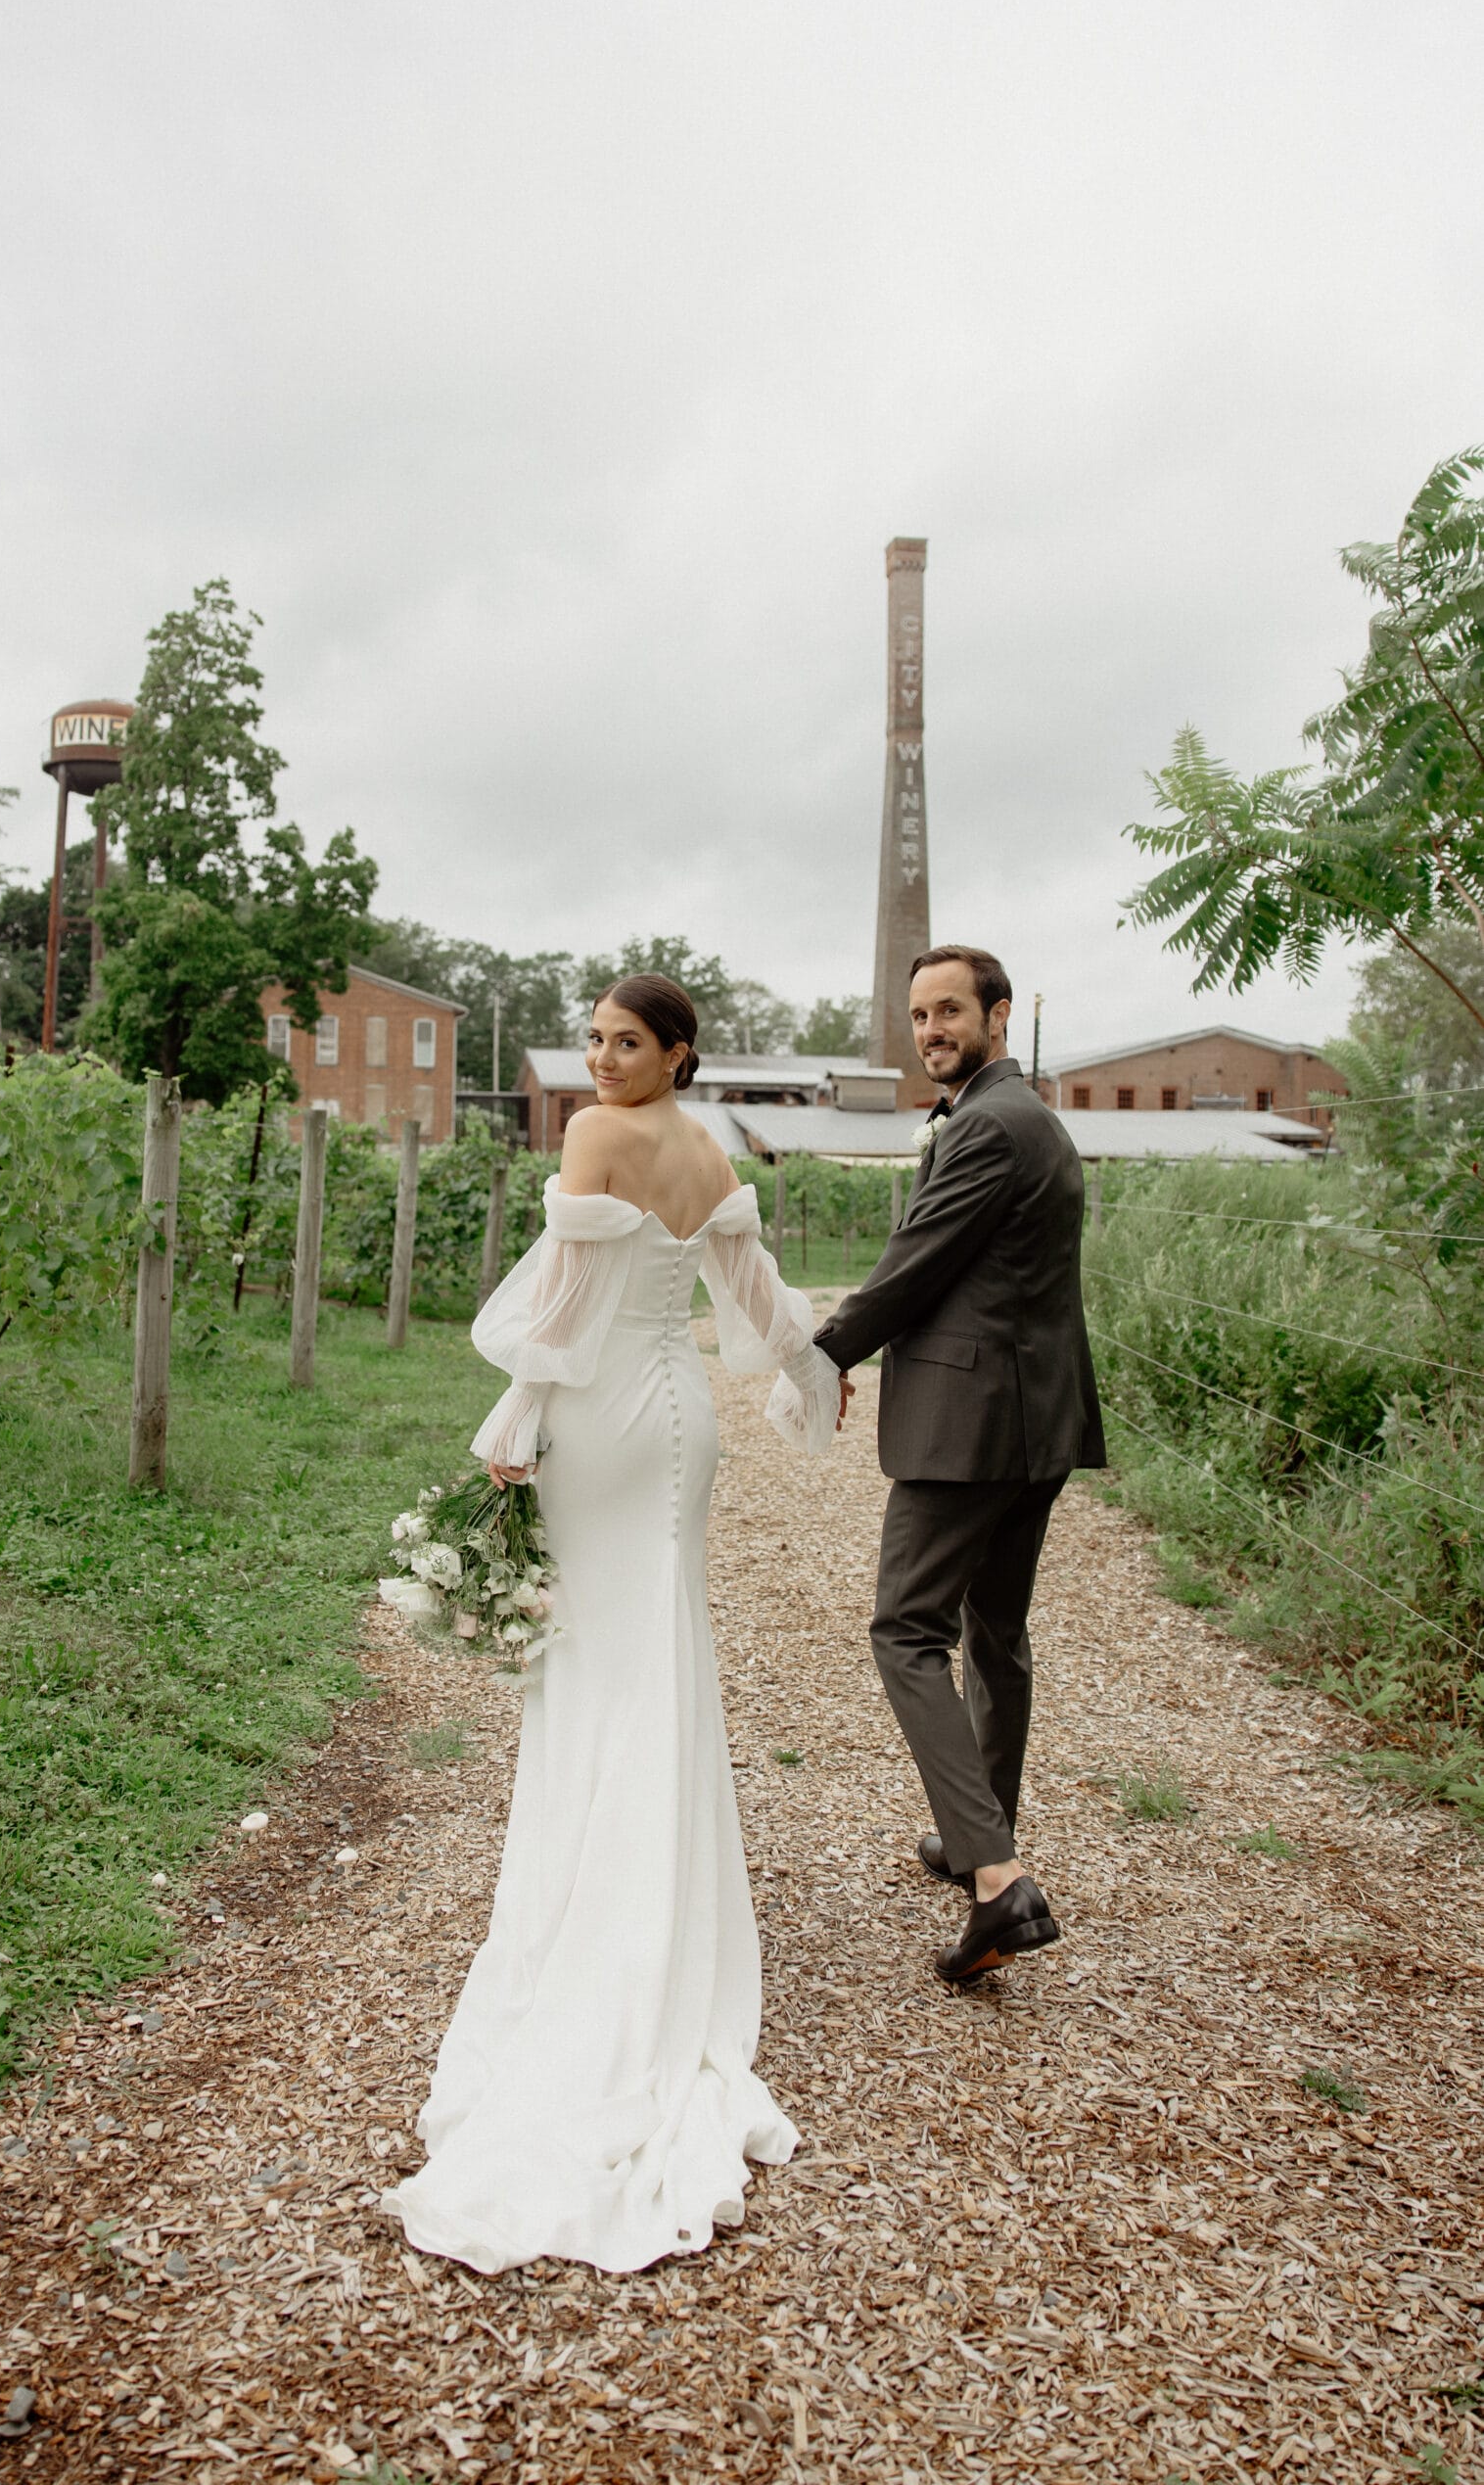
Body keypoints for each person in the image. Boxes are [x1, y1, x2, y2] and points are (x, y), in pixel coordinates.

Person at [382, 973, 841, 2274]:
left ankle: (600, 1925)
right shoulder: (710, 1152)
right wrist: (813, 1373)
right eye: (590, 1041)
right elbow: (754, 1298)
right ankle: (665, 1926)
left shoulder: (596, 1139)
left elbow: (568, 1310)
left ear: (676, 1054)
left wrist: (513, 1418)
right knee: (659, 1657)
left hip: (603, 1426)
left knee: (595, 1665)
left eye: (623, 1043)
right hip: (680, 1428)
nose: (596, 1062)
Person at [813, 946, 1104, 1987]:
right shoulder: (1022, 1116)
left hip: (974, 1425)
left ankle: (997, 1876)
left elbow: (916, 1261)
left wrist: (821, 1355)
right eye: (918, 1014)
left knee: (906, 1628)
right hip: (1032, 1424)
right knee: (997, 1635)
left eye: (949, 1011)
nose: (931, 1029)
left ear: (1000, 1014)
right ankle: (978, 1832)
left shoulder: (988, 1125)